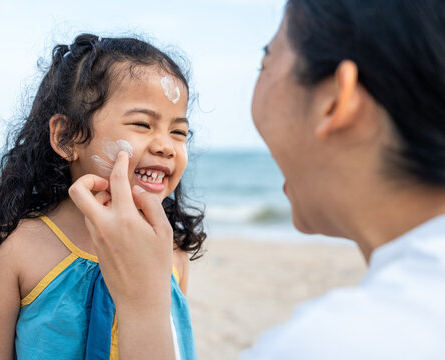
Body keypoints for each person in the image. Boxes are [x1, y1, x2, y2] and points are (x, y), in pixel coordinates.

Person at [68, 1, 445, 359]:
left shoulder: (333, 346)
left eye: (265, 60)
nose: (166, 146)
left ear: (335, 100)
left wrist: (143, 307)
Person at [0, 33, 205, 359]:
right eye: (143, 124)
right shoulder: (11, 254)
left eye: (178, 132)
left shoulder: (171, 252)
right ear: (67, 138)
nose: (165, 146)